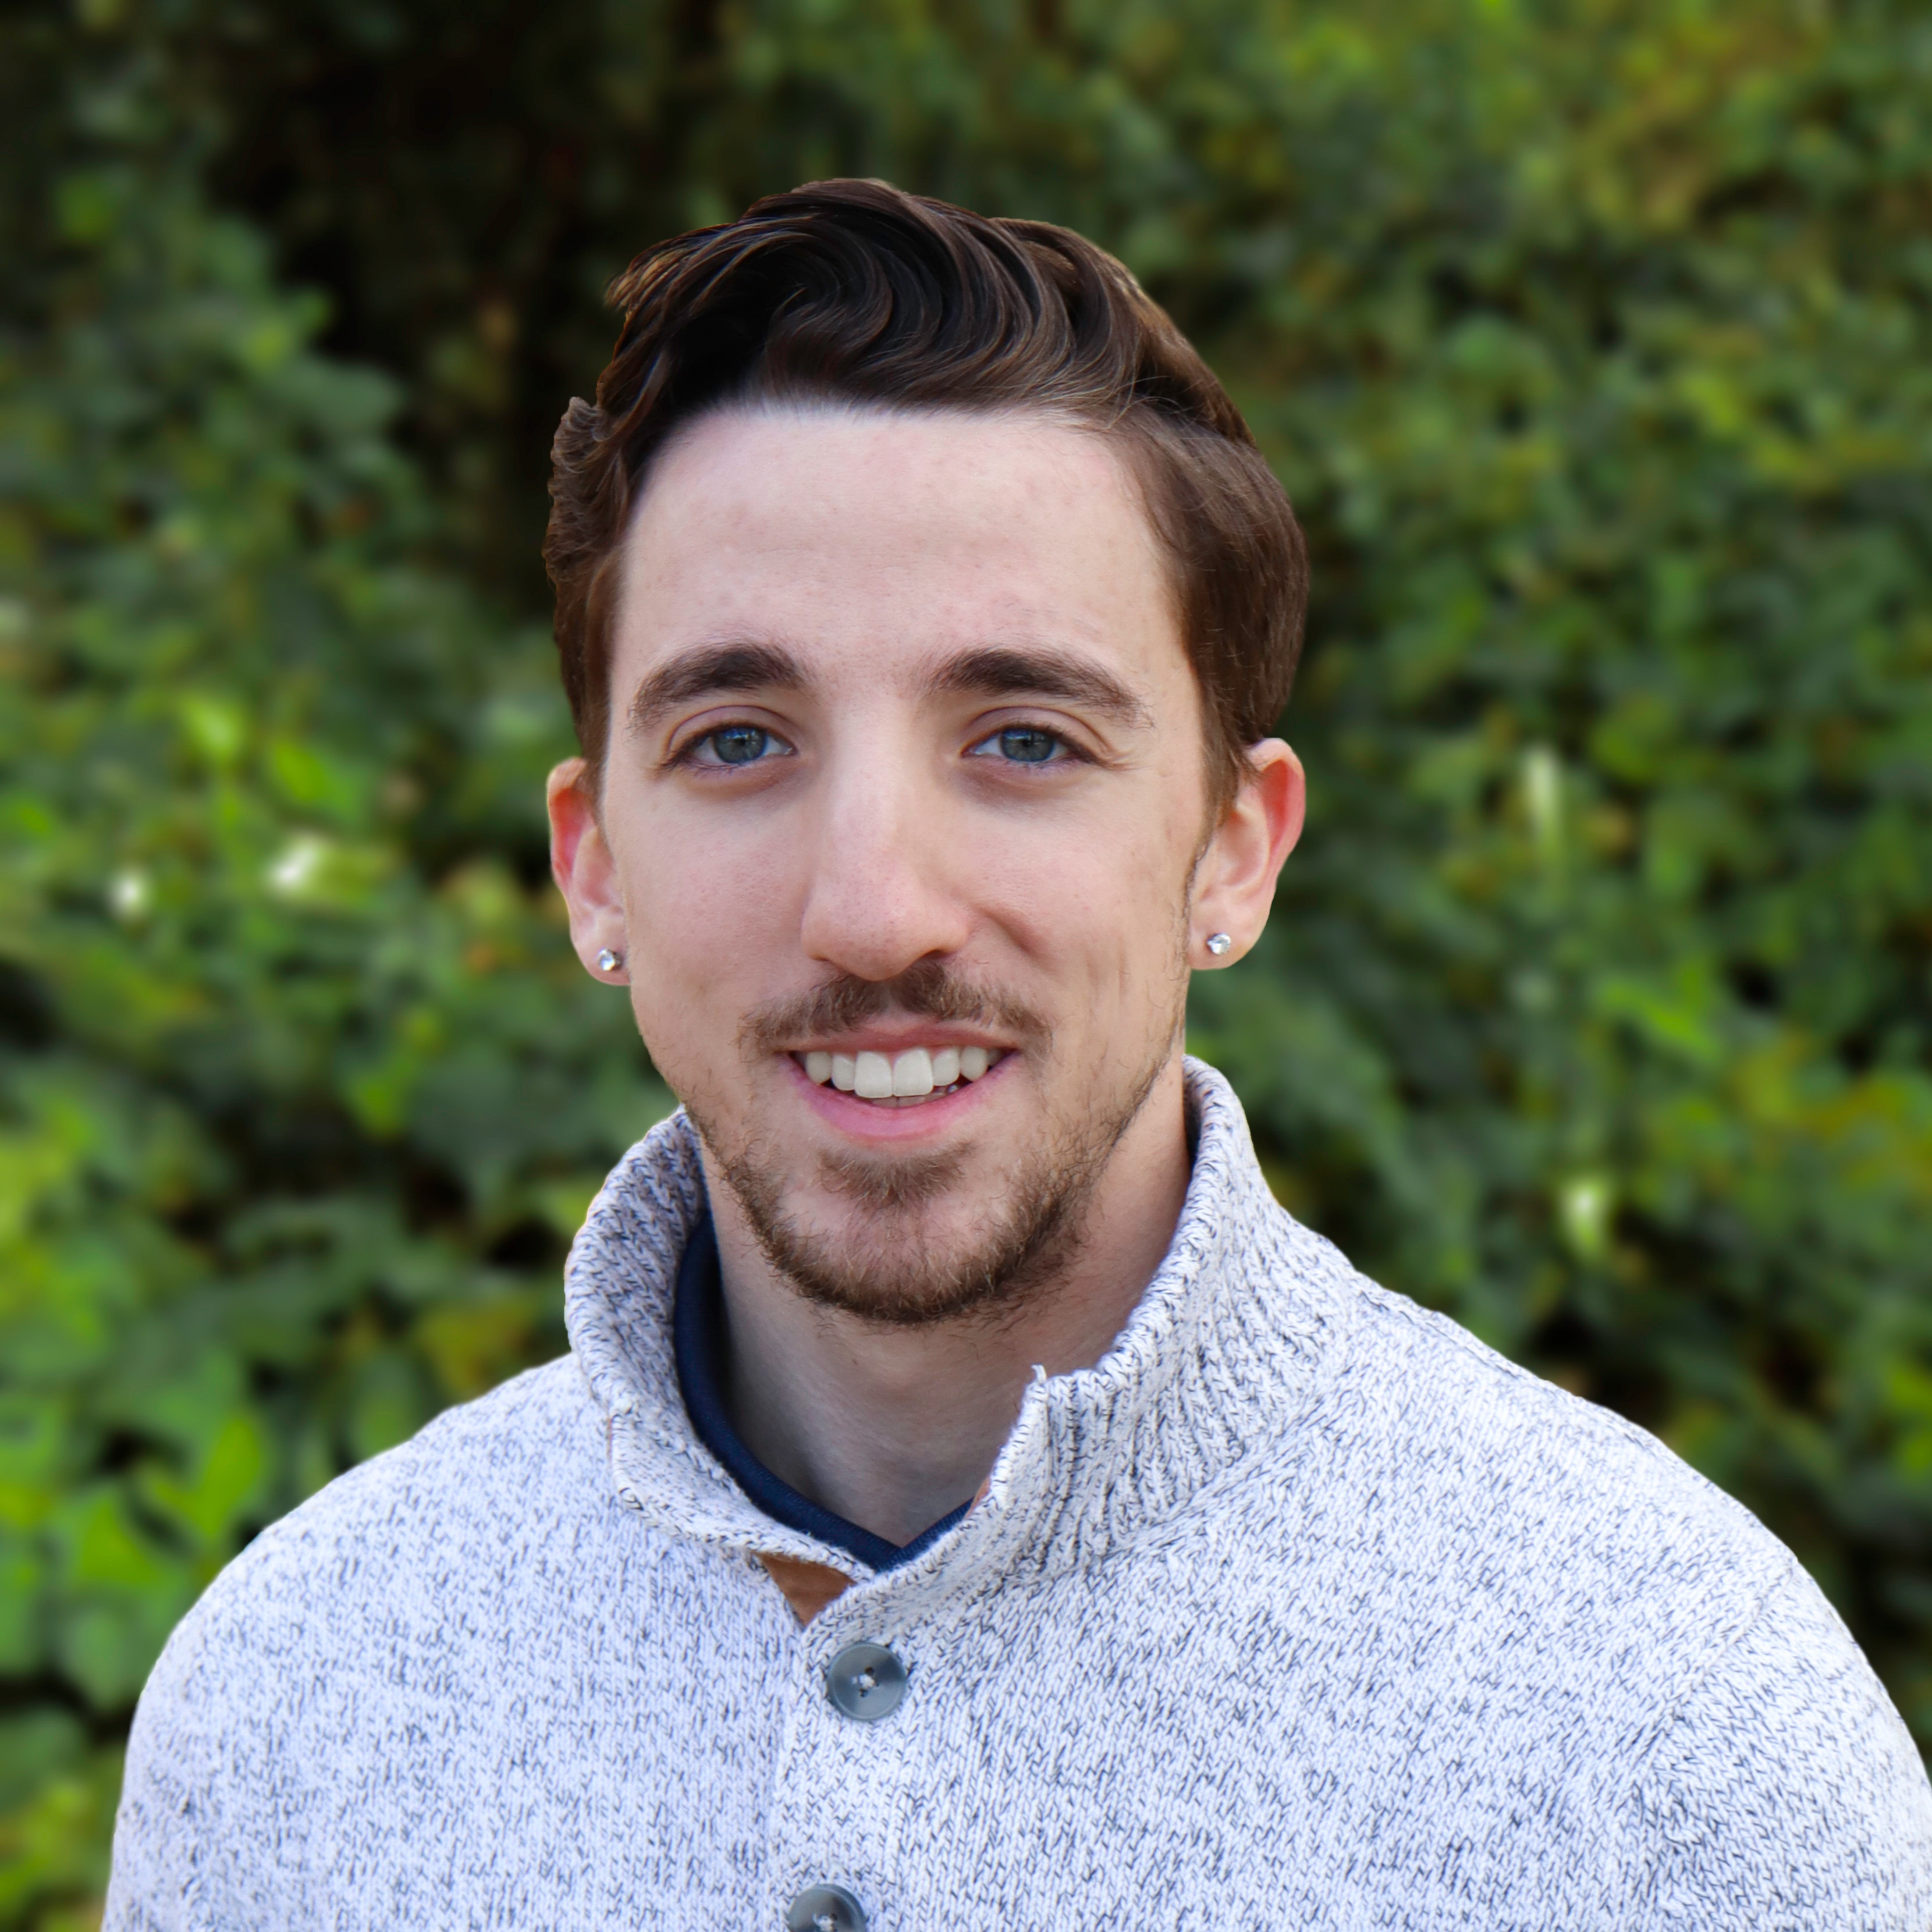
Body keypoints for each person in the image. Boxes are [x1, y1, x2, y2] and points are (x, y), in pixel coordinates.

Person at [107, 180, 1930, 1931]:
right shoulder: (290, 1710)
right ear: (594, 869)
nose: (874, 910)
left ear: (1232, 851)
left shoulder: (1674, 1719)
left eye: (1027, 741)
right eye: (737, 740)